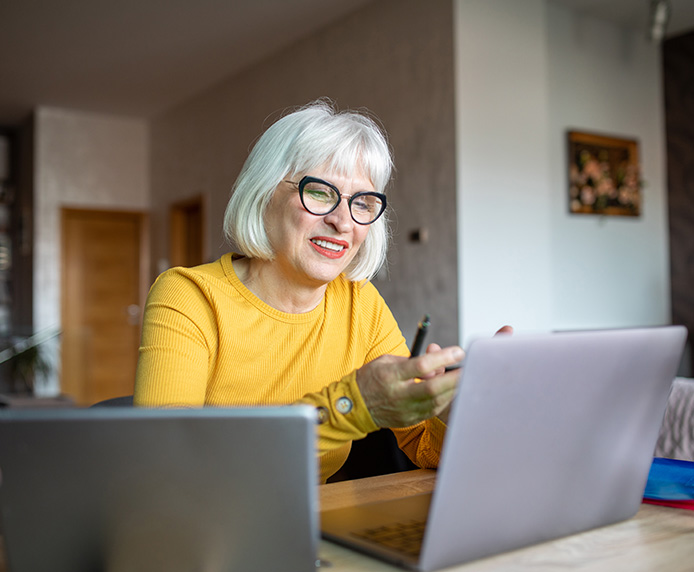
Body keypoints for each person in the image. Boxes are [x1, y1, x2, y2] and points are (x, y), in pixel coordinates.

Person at [134, 100, 506, 483]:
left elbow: (423, 444)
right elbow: (168, 460)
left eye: (362, 202)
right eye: (320, 193)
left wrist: (458, 407)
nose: (342, 221)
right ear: (265, 192)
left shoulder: (360, 304)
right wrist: (351, 405)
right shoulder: (190, 296)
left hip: (317, 525)